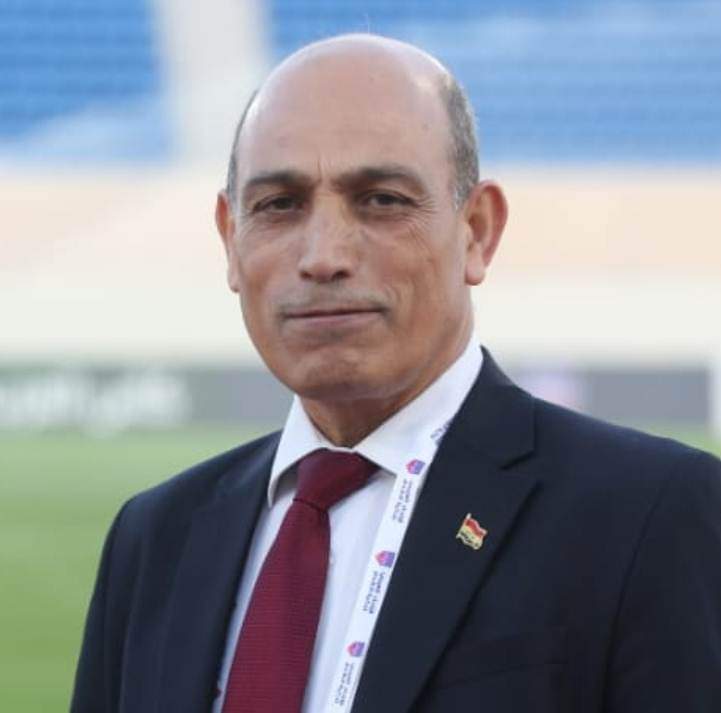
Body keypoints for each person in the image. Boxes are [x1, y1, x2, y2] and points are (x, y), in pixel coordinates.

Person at [71, 34, 721, 713]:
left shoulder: (648, 516)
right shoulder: (155, 538)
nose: (323, 256)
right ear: (231, 240)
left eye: (380, 200)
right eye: (280, 205)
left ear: (477, 231)